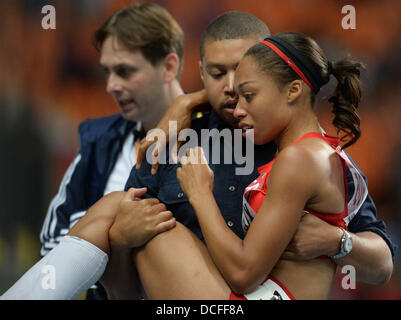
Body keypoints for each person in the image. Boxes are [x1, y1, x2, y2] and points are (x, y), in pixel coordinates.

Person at [1, 11, 394, 300]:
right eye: (216, 75)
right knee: (119, 213)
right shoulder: (171, 139)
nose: (231, 90)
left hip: (238, 297)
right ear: (199, 71)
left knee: (114, 208)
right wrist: (122, 241)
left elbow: (382, 263)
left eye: (243, 79)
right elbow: (121, 287)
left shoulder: (304, 152)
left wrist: (339, 242)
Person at [1, 2, 186, 300]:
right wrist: (118, 238)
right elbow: (52, 243)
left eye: (124, 71)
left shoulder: (214, 136)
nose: (111, 85)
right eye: (108, 72)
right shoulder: (100, 140)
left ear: (168, 67)